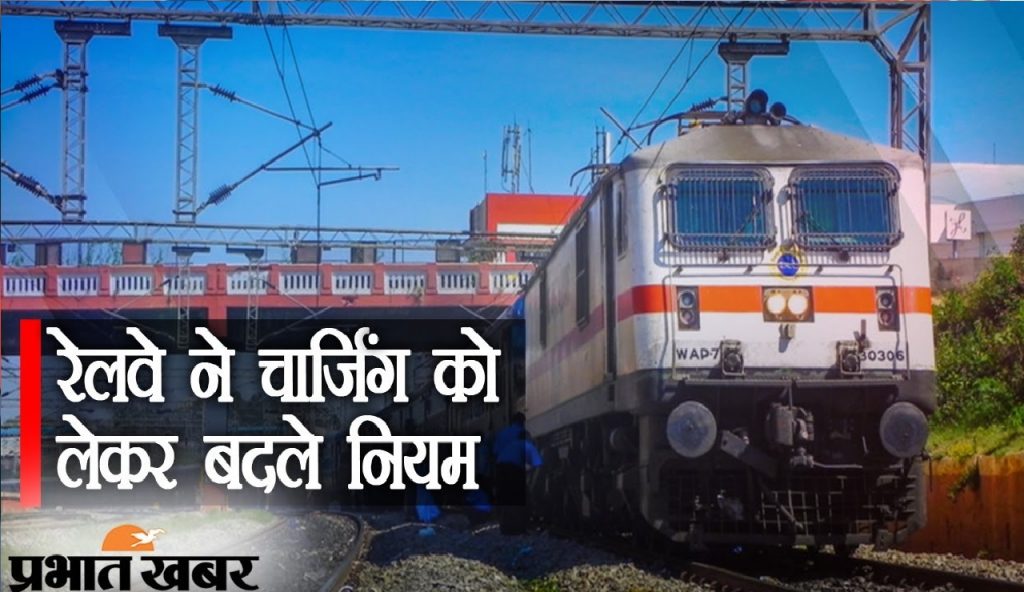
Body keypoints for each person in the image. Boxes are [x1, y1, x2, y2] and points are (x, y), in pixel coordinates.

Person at [493, 413, 542, 535]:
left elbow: (495, 451)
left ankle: (505, 527)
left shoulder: (502, 433)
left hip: (501, 467)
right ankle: (519, 528)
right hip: (515, 468)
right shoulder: (523, 433)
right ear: (522, 422)